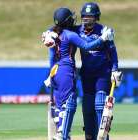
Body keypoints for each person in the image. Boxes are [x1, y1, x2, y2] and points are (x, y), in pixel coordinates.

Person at [41, 7, 114, 140]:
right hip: (66, 71)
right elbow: (86, 46)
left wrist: (50, 74)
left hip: (55, 71)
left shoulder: (54, 35)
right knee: (69, 103)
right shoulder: (70, 35)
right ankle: (63, 135)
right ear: (67, 21)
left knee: (59, 104)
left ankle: (60, 133)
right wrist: (102, 38)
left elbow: (52, 57)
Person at [76, 2, 123, 140]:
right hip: (86, 74)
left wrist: (115, 69)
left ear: (96, 17)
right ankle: (89, 135)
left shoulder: (104, 31)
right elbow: (61, 28)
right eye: (84, 16)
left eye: (90, 16)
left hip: (102, 74)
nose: (86, 19)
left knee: (100, 104)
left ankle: (102, 136)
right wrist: (50, 31)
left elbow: (113, 52)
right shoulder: (77, 30)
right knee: (87, 107)